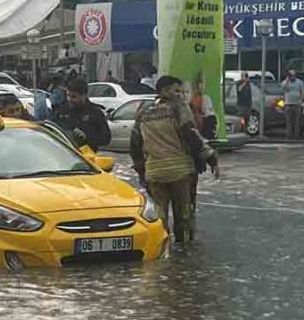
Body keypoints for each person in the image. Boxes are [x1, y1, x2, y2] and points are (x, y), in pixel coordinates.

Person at [130, 75, 219, 245]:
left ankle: (162, 251)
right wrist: (210, 158)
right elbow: (191, 136)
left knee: (159, 218)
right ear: (163, 91)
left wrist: (141, 171)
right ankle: (183, 258)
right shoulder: (178, 109)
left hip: (154, 173)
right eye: (176, 90)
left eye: (181, 91)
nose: (180, 95)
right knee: (183, 217)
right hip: (180, 172)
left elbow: (135, 145)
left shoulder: (143, 111)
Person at [52, 77, 110, 151]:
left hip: (86, 157)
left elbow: (106, 138)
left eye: (74, 97)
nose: (70, 99)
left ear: (84, 95)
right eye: (68, 95)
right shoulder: (62, 110)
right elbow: (52, 127)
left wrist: (86, 136)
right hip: (64, 154)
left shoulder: (95, 113)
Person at [282, 69, 304, 139]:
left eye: (293, 75)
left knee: (297, 121)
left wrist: (300, 100)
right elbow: (284, 89)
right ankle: (289, 135)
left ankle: (296, 135)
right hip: (288, 104)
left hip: (297, 104)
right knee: (289, 121)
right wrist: (286, 81)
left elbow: (302, 92)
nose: (292, 77)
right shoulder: (285, 82)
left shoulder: (299, 82)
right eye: (290, 76)